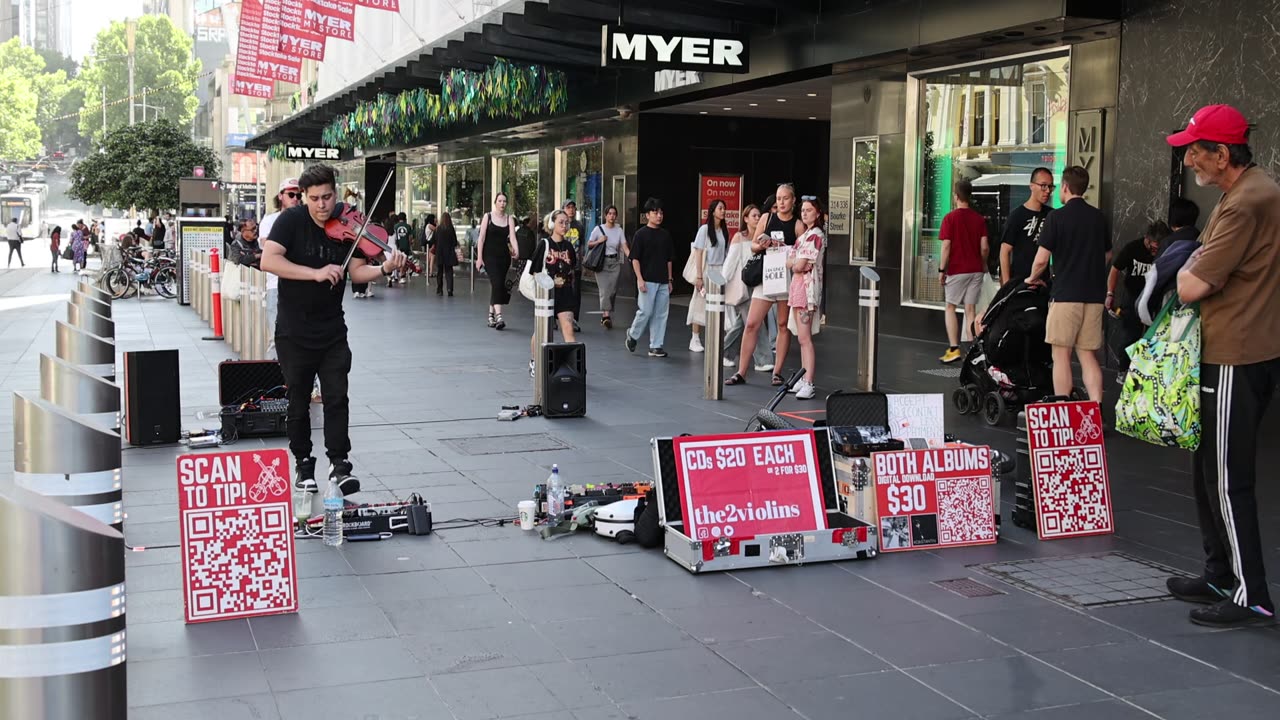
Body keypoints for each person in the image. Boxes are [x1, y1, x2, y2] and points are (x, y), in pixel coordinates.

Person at [1170, 104, 1280, 628]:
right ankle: (1219, 572)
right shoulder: (1249, 191)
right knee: (1206, 466)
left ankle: (1251, 593)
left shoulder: (1243, 204)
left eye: (1197, 148)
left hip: (1236, 351)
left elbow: (1190, 283)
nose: (1189, 157)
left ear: (1223, 153)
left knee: (1227, 477)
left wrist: (1188, 265)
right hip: (1240, 346)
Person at [261, 163, 407, 496]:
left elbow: (356, 273)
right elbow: (268, 261)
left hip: (331, 330)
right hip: (294, 331)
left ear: (335, 193)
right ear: (304, 197)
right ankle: (303, 463)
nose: (322, 205)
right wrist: (313, 273)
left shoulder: (346, 223)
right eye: (314, 199)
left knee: (337, 397)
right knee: (297, 400)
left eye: (327, 197)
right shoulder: (290, 221)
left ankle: (340, 465)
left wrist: (383, 267)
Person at [1026, 166, 1111, 402]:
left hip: (1065, 296)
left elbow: (1042, 259)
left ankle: (1063, 409)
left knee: (1061, 355)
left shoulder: (1056, 217)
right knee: (1088, 356)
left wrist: (1032, 278)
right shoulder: (1098, 218)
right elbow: (1107, 255)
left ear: (1065, 187)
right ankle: (1096, 408)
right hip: (1094, 297)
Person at [726, 184, 805, 386]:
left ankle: (777, 372)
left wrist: (785, 249)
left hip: (786, 278)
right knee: (752, 323)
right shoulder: (766, 218)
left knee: (782, 325)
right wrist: (762, 244)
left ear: (793, 200)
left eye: (785, 198)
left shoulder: (797, 225)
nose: (781, 202)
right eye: (778, 198)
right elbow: (753, 246)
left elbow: (803, 252)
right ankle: (741, 371)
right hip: (766, 276)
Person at [938, 179, 990, 363]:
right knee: (970, 310)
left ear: (956, 197)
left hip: (957, 269)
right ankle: (972, 352)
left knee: (950, 307)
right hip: (976, 270)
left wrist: (941, 269)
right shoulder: (979, 219)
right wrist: (983, 264)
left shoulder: (950, 218)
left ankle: (953, 349)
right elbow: (984, 247)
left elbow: (946, 247)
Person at [1107, 220, 1167, 375]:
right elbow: (1115, 269)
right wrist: (1110, 294)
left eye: (1158, 246)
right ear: (1147, 238)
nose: (1156, 249)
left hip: (1155, 298)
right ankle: (1123, 370)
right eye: (1153, 245)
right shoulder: (1132, 248)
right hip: (1132, 297)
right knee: (1130, 335)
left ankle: (1148, 371)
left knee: (1154, 335)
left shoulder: (1165, 250)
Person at [722, 204, 774, 370]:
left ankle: (723, 352)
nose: (757, 218)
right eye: (754, 216)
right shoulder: (739, 237)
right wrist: (721, 282)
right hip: (743, 286)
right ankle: (763, 360)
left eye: (759, 215)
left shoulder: (762, 238)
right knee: (756, 324)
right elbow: (730, 263)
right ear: (745, 219)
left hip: (758, 284)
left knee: (744, 324)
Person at [528, 210, 579, 376]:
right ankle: (535, 361)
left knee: (568, 327)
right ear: (552, 224)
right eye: (560, 222)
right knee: (542, 330)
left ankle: (575, 366)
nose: (564, 226)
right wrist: (547, 282)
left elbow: (572, 267)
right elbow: (534, 270)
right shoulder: (544, 244)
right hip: (547, 294)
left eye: (566, 223)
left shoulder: (569, 247)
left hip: (564, 293)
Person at [786, 197, 826, 399]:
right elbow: (791, 261)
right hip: (797, 287)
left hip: (807, 289)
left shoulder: (816, 235)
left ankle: (809, 381)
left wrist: (796, 263)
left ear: (817, 213)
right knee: (801, 337)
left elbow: (799, 264)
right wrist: (796, 263)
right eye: (803, 210)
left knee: (804, 338)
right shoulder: (804, 236)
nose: (805, 213)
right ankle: (803, 377)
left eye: (809, 210)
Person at [624, 197, 674, 358]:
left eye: (661, 212)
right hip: (647, 280)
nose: (659, 215)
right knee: (645, 311)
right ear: (647, 215)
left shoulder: (665, 235)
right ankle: (633, 334)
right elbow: (635, 258)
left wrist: (670, 279)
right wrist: (639, 278)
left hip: (663, 280)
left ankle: (656, 345)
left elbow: (669, 259)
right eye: (655, 212)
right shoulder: (640, 234)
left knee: (661, 313)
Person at [259, 178, 303, 362]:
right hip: (276, 285)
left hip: (302, 286)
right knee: (276, 338)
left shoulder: (306, 219)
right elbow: (268, 247)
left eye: (299, 195)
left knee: (304, 338)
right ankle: (276, 382)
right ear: (281, 196)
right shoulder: (270, 220)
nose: (295, 199)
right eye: (291, 194)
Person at [687, 199, 729, 353]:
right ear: (713, 211)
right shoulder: (704, 229)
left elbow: (725, 253)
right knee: (700, 302)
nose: (723, 211)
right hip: (706, 270)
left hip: (719, 271)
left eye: (724, 208)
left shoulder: (723, 231)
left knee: (720, 304)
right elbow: (698, 251)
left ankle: (719, 338)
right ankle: (695, 338)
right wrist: (699, 276)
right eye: (720, 208)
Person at [1000, 167, 1055, 284]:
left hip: (1044, 283)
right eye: (1043, 186)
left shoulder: (1052, 215)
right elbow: (1005, 250)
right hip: (1020, 281)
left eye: (1051, 187)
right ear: (1032, 186)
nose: (1048, 191)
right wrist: (1006, 284)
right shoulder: (1016, 216)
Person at [477, 193, 521, 330]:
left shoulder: (509, 219)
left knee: (498, 285)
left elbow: (513, 237)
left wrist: (516, 250)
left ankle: (491, 315)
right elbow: (481, 238)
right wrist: (479, 258)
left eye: (504, 201)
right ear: (495, 202)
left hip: (503, 257)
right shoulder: (488, 217)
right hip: (489, 256)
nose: (502, 203)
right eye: (500, 201)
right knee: (496, 283)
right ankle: (499, 316)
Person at [587, 206, 628, 329]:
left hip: (614, 262)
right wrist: (599, 241)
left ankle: (607, 312)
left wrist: (632, 257)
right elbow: (589, 244)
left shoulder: (619, 230)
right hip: (602, 262)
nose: (612, 216)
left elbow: (624, 246)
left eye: (614, 213)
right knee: (604, 290)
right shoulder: (598, 229)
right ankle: (606, 316)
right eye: (609, 213)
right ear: (605, 215)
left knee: (613, 290)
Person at [563, 199, 587, 331]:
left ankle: (574, 319)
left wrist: (582, 261)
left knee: (575, 292)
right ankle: (558, 317)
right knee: (561, 290)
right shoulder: (561, 224)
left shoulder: (579, 226)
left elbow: (582, 244)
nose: (571, 210)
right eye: (568, 207)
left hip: (576, 264)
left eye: (573, 207)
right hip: (562, 264)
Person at [433, 213, 459, 296]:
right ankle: (449, 289)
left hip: (439, 253)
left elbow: (434, 241)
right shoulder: (451, 229)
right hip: (449, 253)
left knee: (439, 272)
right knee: (449, 271)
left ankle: (439, 289)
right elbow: (455, 242)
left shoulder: (438, 229)